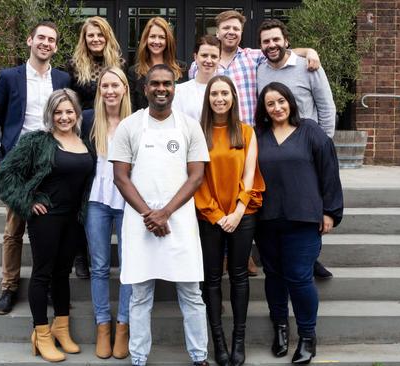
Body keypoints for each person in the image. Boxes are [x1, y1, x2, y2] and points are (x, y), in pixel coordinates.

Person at [109, 64, 211, 366]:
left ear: (174, 87)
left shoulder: (190, 126)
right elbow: (120, 177)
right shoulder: (129, 126)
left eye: (167, 84)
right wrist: (149, 215)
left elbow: (196, 176)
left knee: (192, 294)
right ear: (145, 88)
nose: (161, 89)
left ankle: (199, 357)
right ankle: (138, 359)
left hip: (179, 222)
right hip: (140, 224)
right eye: (155, 84)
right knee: (140, 295)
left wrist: (165, 213)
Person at [0, 89, 96, 362]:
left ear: (77, 113)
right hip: (46, 218)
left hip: (74, 219)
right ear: (50, 115)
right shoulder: (37, 142)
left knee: (62, 274)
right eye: (58, 112)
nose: (64, 117)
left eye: (69, 111)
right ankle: (40, 334)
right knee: (42, 274)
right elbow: (7, 175)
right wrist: (27, 202)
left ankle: (61, 328)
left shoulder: (85, 142)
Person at [0, 21, 71, 315]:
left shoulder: (61, 78)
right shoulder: (9, 77)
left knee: (48, 227)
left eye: (52, 40)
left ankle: (43, 284)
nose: (46, 43)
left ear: (56, 47)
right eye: (41, 38)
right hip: (18, 162)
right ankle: (8, 287)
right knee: (14, 227)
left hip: (52, 161)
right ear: (29, 40)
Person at [254, 82, 343, 364]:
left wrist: (329, 212)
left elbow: (329, 172)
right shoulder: (258, 136)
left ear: (291, 102)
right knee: (274, 276)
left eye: (281, 101)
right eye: (271, 104)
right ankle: (280, 327)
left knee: (299, 277)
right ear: (264, 110)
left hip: (303, 218)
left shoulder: (310, 131)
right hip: (267, 220)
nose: (277, 107)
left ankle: (307, 336)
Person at [256, 19, 336, 279]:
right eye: (266, 41)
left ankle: (311, 258)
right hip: (277, 148)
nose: (271, 45)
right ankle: (303, 260)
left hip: (308, 148)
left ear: (286, 40)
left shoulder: (308, 66)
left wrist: (324, 144)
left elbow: (326, 105)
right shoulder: (260, 68)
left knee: (310, 204)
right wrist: (308, 48)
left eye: (276, 39)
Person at [195, 75, 265, 366]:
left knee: (238, 276)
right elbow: (196, 177)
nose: (219, 98)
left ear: (233, 97)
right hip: (209, 213)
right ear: (208, 99)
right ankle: (218, 341)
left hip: (242, 213)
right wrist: (217, 215)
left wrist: (237, 211)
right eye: (214, 94)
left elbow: (249, 174)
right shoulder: (198, 132)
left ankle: (238, 339)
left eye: (225, 93)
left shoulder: (246, 132)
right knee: (211, 279)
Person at [65, 16, 125, 278]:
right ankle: (81, 255)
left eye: (100, 35)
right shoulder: (73, 66)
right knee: (85, 193)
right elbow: (68, 100)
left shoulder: (119, 63)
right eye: (91, 35)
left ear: (107, 36)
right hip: (84, 130)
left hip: (113, 129)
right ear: (84, 38)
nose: (96, 39)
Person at [188, 10, 320, 126]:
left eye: (236, 29)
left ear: (241, 32)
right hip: (216, 133)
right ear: (217, 32)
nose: (231, 32)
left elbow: (280, 52)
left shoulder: (253, 57)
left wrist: (309, 51)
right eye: (226, 28)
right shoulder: (201, 65)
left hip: (251, 133)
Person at [83, 66, 133, 359]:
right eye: (105, 86)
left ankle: (123, 325)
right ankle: (103, 325)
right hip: (96, 202)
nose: (110, 91)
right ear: (99, 90)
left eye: (115, 85)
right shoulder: (88, 121)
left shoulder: (137, 122)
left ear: (125, 88)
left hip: (128, 202)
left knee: (128, 266)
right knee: (99, 266)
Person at [128, 17, 188, 111]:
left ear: (168, 41)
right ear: (146, 39)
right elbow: (132, 107)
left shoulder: (181, 69)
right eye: (152, 36)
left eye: (161, 37)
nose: (156, 41)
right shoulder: (134, 72)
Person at [173, 35, 221, 121]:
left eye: (214, 56)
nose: (209, 61)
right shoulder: (180, 91)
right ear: (195, 57)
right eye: (204, 55)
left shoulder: (227, 90)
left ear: (219, 59)